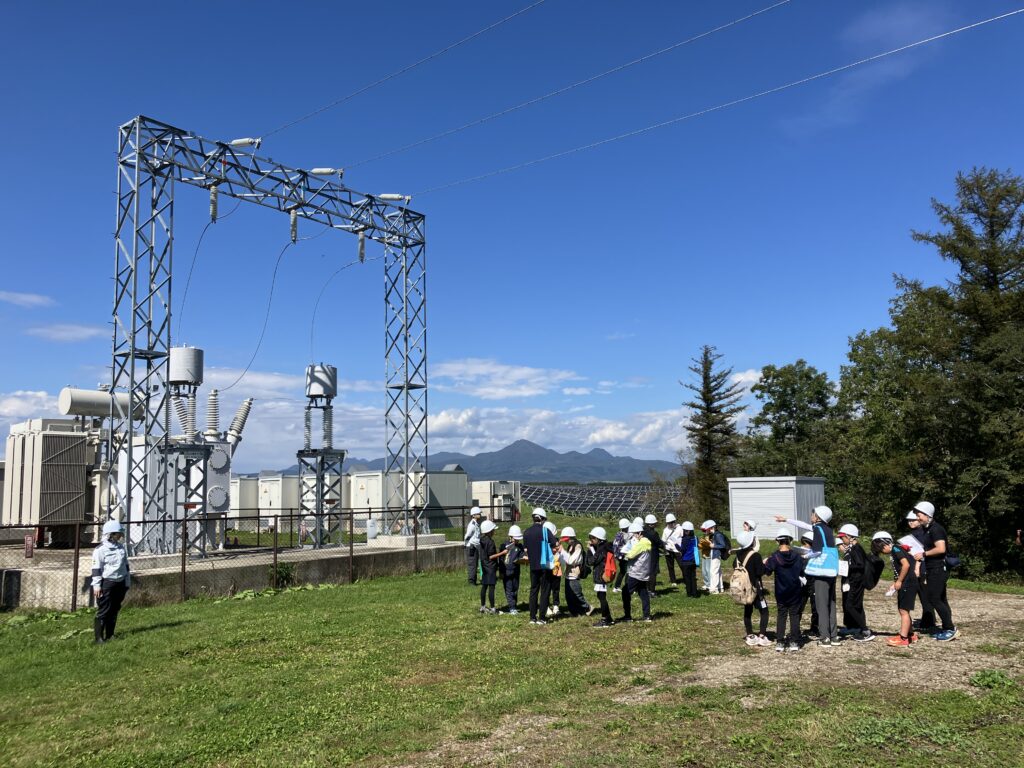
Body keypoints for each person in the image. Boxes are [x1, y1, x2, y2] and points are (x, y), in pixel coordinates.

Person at [777, 506, 838, 646]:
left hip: (821, 572)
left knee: (821, 604)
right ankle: (833, 635)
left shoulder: (818, 529)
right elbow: (805, 525)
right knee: (831, 603)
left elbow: (816, 551)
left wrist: (804, 554)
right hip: (831, 570)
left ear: (818, 517)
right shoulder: (827, 529)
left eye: (813, 514)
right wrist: (787, 520)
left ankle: (825, 638)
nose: (811, 515)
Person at [911, 501, 958, 641]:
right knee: (941, 598)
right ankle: (947, 627)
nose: (917, 518)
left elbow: (941, 548)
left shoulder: (936, 529)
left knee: (934, 598)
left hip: (938, 567)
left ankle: (950, 628)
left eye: (919, 515)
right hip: (933, 567)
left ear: (927, 515)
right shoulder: (928, 528)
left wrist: (924, 554)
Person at [872, 531, 920, 647]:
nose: (882, 551)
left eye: (881, 548)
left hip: (908, 582)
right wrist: (895, 583)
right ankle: (911, 634)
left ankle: (903, 638)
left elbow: (906, 565)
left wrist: (899, 581)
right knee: (904, 610)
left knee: (903, 610)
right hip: (907, 581)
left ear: (885, 543)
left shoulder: (895, 549)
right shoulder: (896, 550)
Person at [764, 526, 804, 652]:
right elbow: (802, 571)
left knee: (781, 615)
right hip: (795, 590)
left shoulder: (775, 557)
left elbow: (767, 571)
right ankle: (794, 642)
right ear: (790, 541)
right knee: (794, 615)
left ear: (778, 541)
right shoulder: (797, 556)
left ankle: (780, 642)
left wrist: (765, 562)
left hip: (781, 591)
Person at [91, 519, 131, 644]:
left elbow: (126, 565)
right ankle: (99, 638)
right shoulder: (100, 550)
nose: (120, 536)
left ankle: (110, 634)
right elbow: (96, 568)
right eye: (118, 533)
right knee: (104, 609)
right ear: (110, 534)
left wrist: (127, 582)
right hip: (107, 583)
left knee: (114, 609)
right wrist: (97, 586)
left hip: (120, 582)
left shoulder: (121, 548)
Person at [837, 524, 873, 642]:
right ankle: (855, 627)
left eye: (843, 537)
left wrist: (845, 566)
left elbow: (860, 565)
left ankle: (865, 630)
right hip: (852, 580)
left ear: (849, 536)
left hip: (856, 581)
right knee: (855, 605)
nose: (842, 540)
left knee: (850, 605)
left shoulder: (856, 549)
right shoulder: (853, 548)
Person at [734, 530, 771, 647]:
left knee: (747, 610)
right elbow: (760, 571)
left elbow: (735, 566)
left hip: (743, 587)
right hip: (755, 587)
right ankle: (762, 635)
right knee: (764, 611)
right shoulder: (755, 555)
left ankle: (750, 634)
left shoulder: (738, 554)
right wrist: (764, 564)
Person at [523, 508, 557, 625]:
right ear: (542, 519)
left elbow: (526, 549)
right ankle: (542, 618)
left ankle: (532, 617)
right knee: (545, 590)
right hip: (544, 565)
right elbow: (555, 544)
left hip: (533, 566)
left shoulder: (526, 532)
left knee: (533, 590)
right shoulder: (545, 531)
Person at [622, 520, 653, 622]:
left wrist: (624, 553)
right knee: (643, 593)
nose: (633, 537)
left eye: (634, 534)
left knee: (625, 592)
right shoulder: (646, 542)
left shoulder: (641, 543)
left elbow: (631, 554)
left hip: (636, 572)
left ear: (639, 533)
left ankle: (627, 616)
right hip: (644, 573)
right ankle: (647, 616)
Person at [560, 526, 592, 617]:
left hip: (574, 574)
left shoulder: (578, 546)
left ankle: (587, 607)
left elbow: (571, 560)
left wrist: (562, 550)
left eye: (566, 539)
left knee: (576, 594)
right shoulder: (570, 545)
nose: (565, 541)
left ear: (571, 537)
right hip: (568, 574)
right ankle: (574, 612)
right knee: (569, 595)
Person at [588, 526, 616, 628]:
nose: (591, 540)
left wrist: (590, 549)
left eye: (593, 538)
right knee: (600, 596)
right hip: (603, 575)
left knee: (602, 598)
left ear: (599, 539)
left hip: (601, 576)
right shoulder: (605, 547)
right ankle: (608, 618)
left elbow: (591, 561)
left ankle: (605, 620)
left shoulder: (601, 549)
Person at [499, 524, 526, 614]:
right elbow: (501, 559)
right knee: (509, 589)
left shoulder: (520, 546)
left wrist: (525, 558)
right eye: (516, 538)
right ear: (510, 537)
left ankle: (514, 605)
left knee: (515, 588)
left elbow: (522, 556)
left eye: (518, 539)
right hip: (506, 571)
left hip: (516, 571)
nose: (517, 540)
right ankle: (511, 607)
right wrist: (501, 571)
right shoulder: (504, 546)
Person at [478, 520, 499, 614]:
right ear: (489, 531)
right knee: (491, 587)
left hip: (484, 565)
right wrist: (502, 553)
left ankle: (482, 606)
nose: (494, 531)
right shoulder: (490, 542)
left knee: (484, 586)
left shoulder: (482, 540)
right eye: (493, 530)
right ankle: (493, 608)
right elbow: (491, 556)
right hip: (490, 567)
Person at [642, 514, 665, 595]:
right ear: (651, 524)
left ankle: (646, 589)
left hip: (644, 553)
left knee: (646, 572)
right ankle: (652, 591)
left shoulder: (642, 531)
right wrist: (664, 544)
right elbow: (659, 544)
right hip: (653, 554)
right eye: (654, 523)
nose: (655, 525)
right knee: (653, 572)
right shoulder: (654, 533)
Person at [545, 520, 563, 618]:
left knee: (556, 588)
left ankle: (556, 606)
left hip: (556, 568)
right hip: (547, 568)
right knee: (546, 588)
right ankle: (546, 606)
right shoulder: (543, 542)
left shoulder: (557, 541)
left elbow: (560, 551)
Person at [705, 520, 729, 594]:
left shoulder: (718, 535)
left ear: (712, 527)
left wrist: (713, 546)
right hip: (715, 554)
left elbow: (723, 545)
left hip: (716, 555)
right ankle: (720, 587)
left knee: (713, 572)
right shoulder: (714, 534)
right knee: (718, 572)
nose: (707, 530)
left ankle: (714, 589)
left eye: (708, 528)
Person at [677, 521, 699, 598]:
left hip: (686, 561)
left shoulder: (685, 539)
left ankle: (689, 593)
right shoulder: (695, 538)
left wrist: (676, 545)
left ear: (687, 531)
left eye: (684, 530)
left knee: (687, 578)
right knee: (693, 577)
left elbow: (682, 550)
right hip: (693, 561)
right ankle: (695, 593)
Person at [662, 513, 683, 584]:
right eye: (669, 523)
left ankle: (686, 578)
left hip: (677, 550)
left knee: (682, 565)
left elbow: (683, 538)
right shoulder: (665, 530)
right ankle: (673, 581)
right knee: (670, 566)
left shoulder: (680, 528)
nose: (670, 524)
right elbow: (663, 540)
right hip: (669, 550)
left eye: (672, 522)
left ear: (674, 521)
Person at [464, 507, 482, 585]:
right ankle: (471, 581)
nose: (480, 515)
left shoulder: (476, 523)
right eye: (478, 514)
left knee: (475, 563)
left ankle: (474, 580)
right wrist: (468, 543)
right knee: (472, 564)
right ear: (473, 515)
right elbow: (467, 536)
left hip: (475, 546)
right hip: (471, 546)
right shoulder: (472, 524)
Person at [612, 518, 630, 593]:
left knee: (622, 571)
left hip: (619, 556)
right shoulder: (626, 535)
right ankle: (627, 587)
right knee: (628, 571)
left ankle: (616, 586)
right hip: (625, 556)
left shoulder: (618, 533)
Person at [698, 523, 713, 591]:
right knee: (704, 571)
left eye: (706, 530)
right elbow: (701, 545)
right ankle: (706, 583)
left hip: (709, 555)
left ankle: (710, 584)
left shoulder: (712, 536)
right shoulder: (704, 536)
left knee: (708, 570)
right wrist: (700, 545)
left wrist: (708, 543)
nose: (705, 531)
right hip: (704, 555)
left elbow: (711, 545)